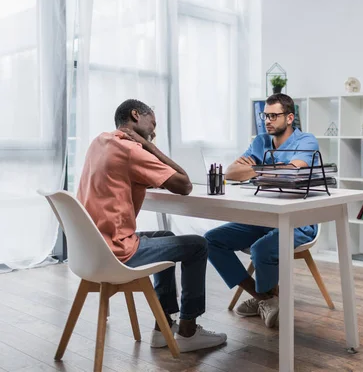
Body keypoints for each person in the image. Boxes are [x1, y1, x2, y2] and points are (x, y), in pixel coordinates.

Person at [76, 99, 227, 352]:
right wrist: (147, 146)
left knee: (166, 235)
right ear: (136, 115)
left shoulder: (99, 142)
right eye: (152, 124)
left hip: (92, 249)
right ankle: (189, 331)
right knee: (198, 245)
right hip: (117, 252)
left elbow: (124, 176)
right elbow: (184, 185)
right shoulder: (130, 149)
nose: (154, 132)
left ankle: (162, 326)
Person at [204, 93, 319, 328]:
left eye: (273, 116)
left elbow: (292, 171)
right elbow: (231, 173)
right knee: (210, 241)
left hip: (298, 221)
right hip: (262, 217)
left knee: (260, 249)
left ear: (289, 118)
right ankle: (263, 298)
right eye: (265, 115)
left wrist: (255, 168)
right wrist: (268, 169)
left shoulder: (306, 140)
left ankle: (265, 297)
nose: (267, 120)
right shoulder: (260, 141)